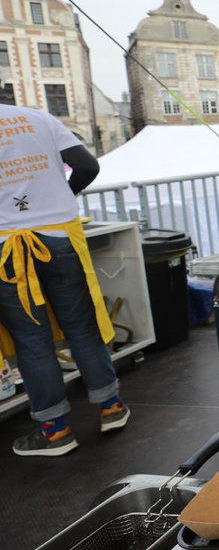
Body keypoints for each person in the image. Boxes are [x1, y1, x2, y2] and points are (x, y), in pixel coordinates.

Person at [1, 104, 127, 456]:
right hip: (58, 235)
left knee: (31, 339)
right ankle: (111, 407)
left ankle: (55, 431)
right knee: (82, 326)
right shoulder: (37, 117)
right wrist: (60, 199)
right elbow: (87, 165)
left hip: (6, 249)